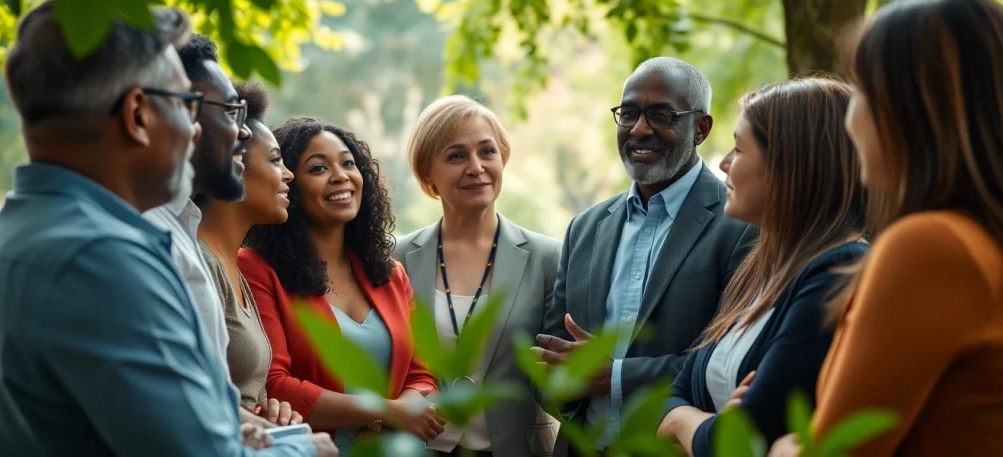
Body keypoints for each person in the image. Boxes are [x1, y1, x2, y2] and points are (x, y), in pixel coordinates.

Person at [0, 1, 335, 456]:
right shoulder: (102, 258)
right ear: (138, 115)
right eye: (187, 106)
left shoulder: (19, 232)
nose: (195, 132)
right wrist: (307, 451)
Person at [769, 0, 1003, 457]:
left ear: (911, 108)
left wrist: (786, 446)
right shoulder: (976, 242)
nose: (848, 119)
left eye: (860, 90)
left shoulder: (930, 247)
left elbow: (830, 452)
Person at [535, 57, 757, 455]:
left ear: (701, 128)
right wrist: (567, 382)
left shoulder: (741, 224)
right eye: (630, 114)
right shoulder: (584, 229)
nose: (640, 129)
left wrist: (616, 376)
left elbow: (732, 364)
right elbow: (552, 359)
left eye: (660, 115)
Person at [656, 78, 868, 456]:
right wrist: (694, 421)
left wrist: (682, 422)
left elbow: (745, 436)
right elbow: (675, 397)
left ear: (790, 166)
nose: (722, 164)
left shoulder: (838, 273)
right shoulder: (761, 268)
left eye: (738, 149)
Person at [241, 117, 446, 450]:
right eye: (318, 168)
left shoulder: (390, 274)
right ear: (288, 183)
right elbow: (274, 385)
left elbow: (421, 374)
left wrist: (402, 412)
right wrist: (388, 413)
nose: (341, 176)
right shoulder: (257, 268)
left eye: (348, 164)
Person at [143, 34, 299, 428]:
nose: (242, 131)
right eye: (231, 113)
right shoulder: (160, 243)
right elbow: (178, 413)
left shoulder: (187, 235)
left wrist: (270, 420)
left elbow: (220, 399)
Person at [396, 95, 562, 457]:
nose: (476, 167)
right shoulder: (397, 258)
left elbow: (559, 379)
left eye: (487, 152)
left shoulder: (548, 257)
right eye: (456, 156)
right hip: (421, 448)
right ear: (427, 173)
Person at [197, 82, 295, 413]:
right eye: (275, 160)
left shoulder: (234, 266)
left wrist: (273, 415)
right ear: (235, 161)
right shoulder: (198, 264)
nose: (288, 174)